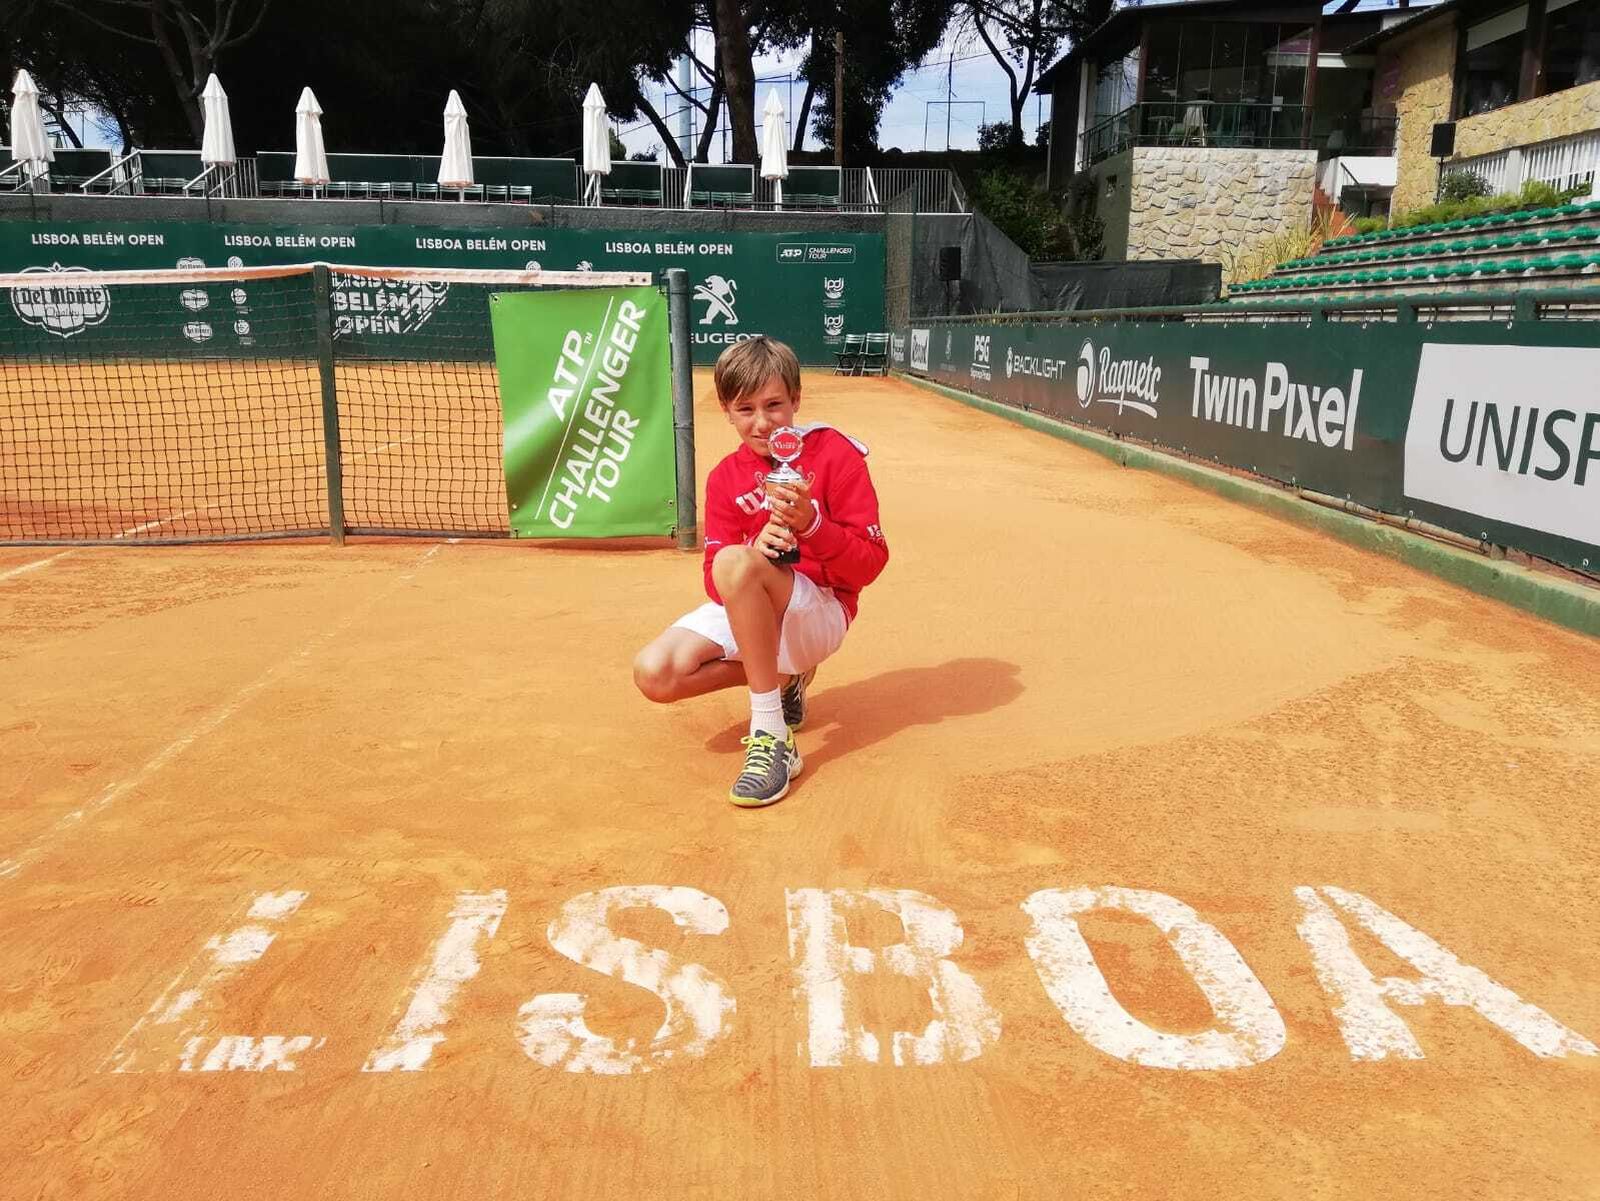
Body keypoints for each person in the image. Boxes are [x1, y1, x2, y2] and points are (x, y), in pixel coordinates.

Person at [632, 336, 889, 807]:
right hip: (754, 603)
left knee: (738, 562)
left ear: (796, 400)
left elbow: (870, 564)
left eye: (774, 405)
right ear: (727, 411)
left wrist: (812, 525)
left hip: (822, 611)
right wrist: (754, 551)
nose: (763, 422)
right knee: (656, 674)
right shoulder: (724, 478)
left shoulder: (834, 453)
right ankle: (788, 678)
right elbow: (715, 580)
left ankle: (772, 736)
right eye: (745, 408)